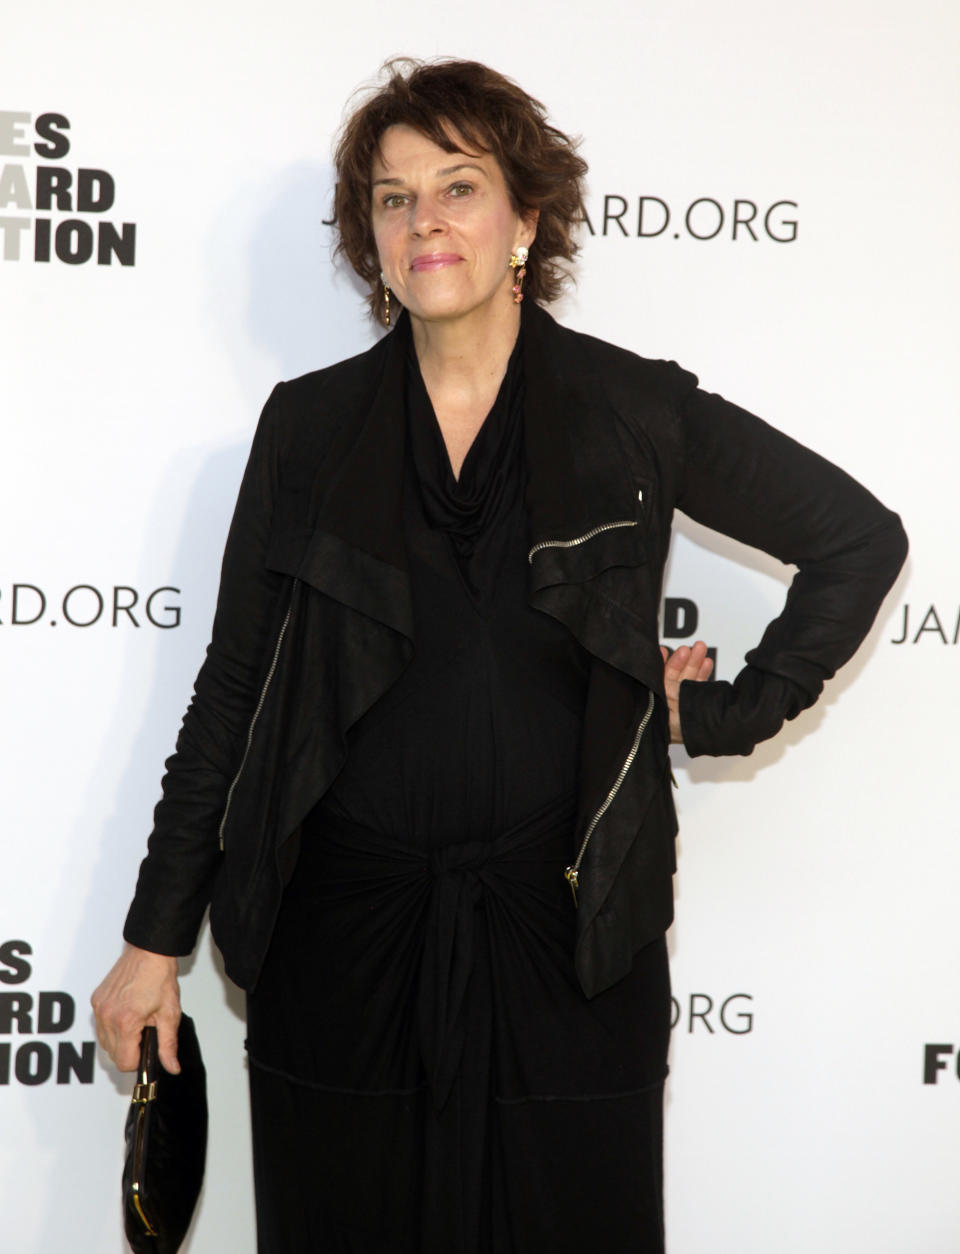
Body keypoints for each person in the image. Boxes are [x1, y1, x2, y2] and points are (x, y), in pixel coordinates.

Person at [92, 58, 907, 1253]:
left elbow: (857, 539)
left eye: (458, 187)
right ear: (370, 239)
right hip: (342, 951)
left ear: (526, 218)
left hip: (571, 955)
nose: (425, 220)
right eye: (392, 197)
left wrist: (724, 715)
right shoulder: (309, 428)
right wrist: (153, 938)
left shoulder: (632, 411)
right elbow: (232, 694)